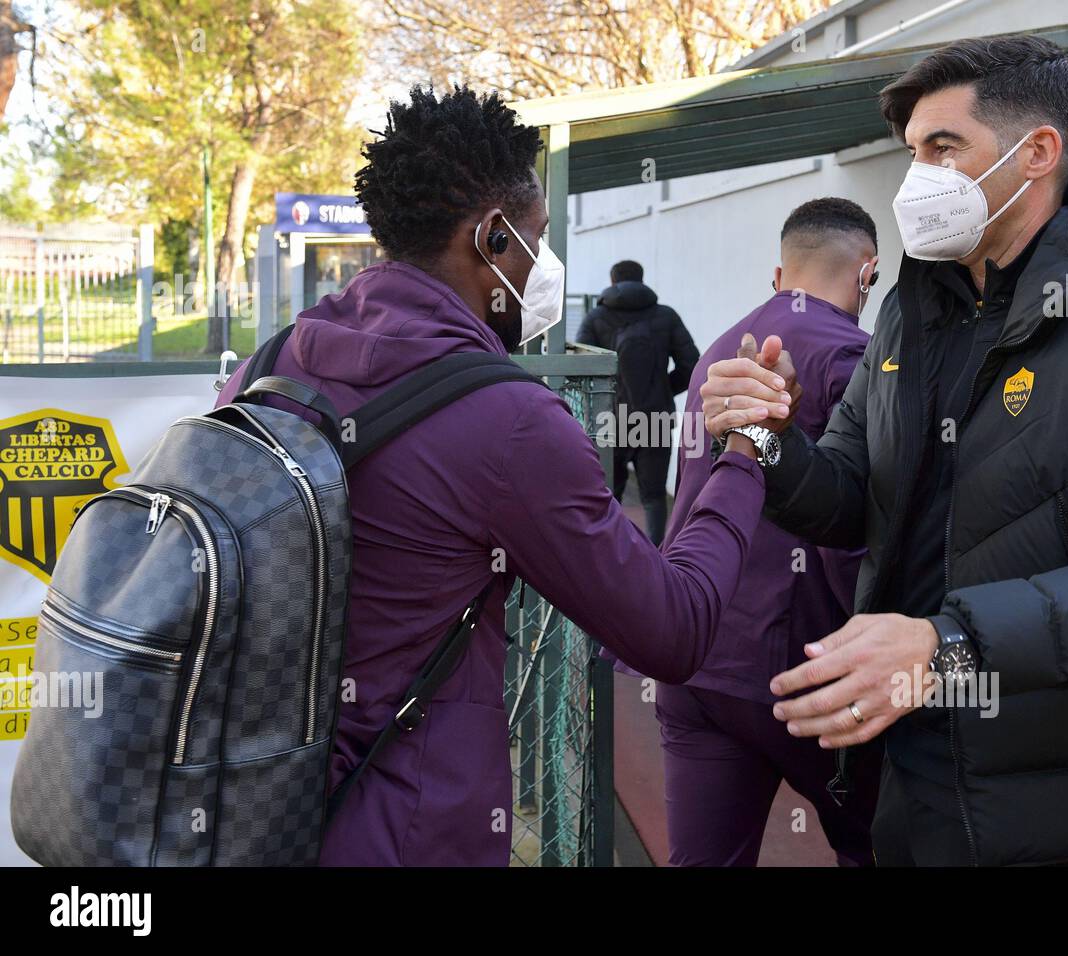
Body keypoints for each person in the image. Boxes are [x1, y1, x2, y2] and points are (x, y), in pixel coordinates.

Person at [699, 35, 1068, 867]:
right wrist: (771, 446)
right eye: (913, 150)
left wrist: (946, 647)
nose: (918, 175)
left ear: (1037, 153)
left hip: (1052, 787)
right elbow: (852, 497)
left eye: (944, 147)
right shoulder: (913, 312)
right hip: (905, 761)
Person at [216, 86, 789, 866]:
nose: (546, 266)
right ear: (491, 239)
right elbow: (675, 627)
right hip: (411, 830)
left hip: (252, 808)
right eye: (538, 239)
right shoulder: (507, 419)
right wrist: (745, 451)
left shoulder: (269, 362)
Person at [655, 198, 879, 866]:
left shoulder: (721, 350)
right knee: (875, 844)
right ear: (868, 275)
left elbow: (688, 488)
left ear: (779, 276)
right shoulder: (859, 359)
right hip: (804, 664)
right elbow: (859, 528)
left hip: (695, 651)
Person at [577, 259, 699, 544]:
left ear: (612, 282)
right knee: (655, 497)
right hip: (654, 417)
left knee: (610, 494)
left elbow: (583, 368)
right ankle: (656, 562)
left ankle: (614, 555)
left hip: (609, 418)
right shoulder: (666, 316)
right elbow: (692, 365)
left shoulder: (595, 318)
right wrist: (663, 389)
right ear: (642, 280)